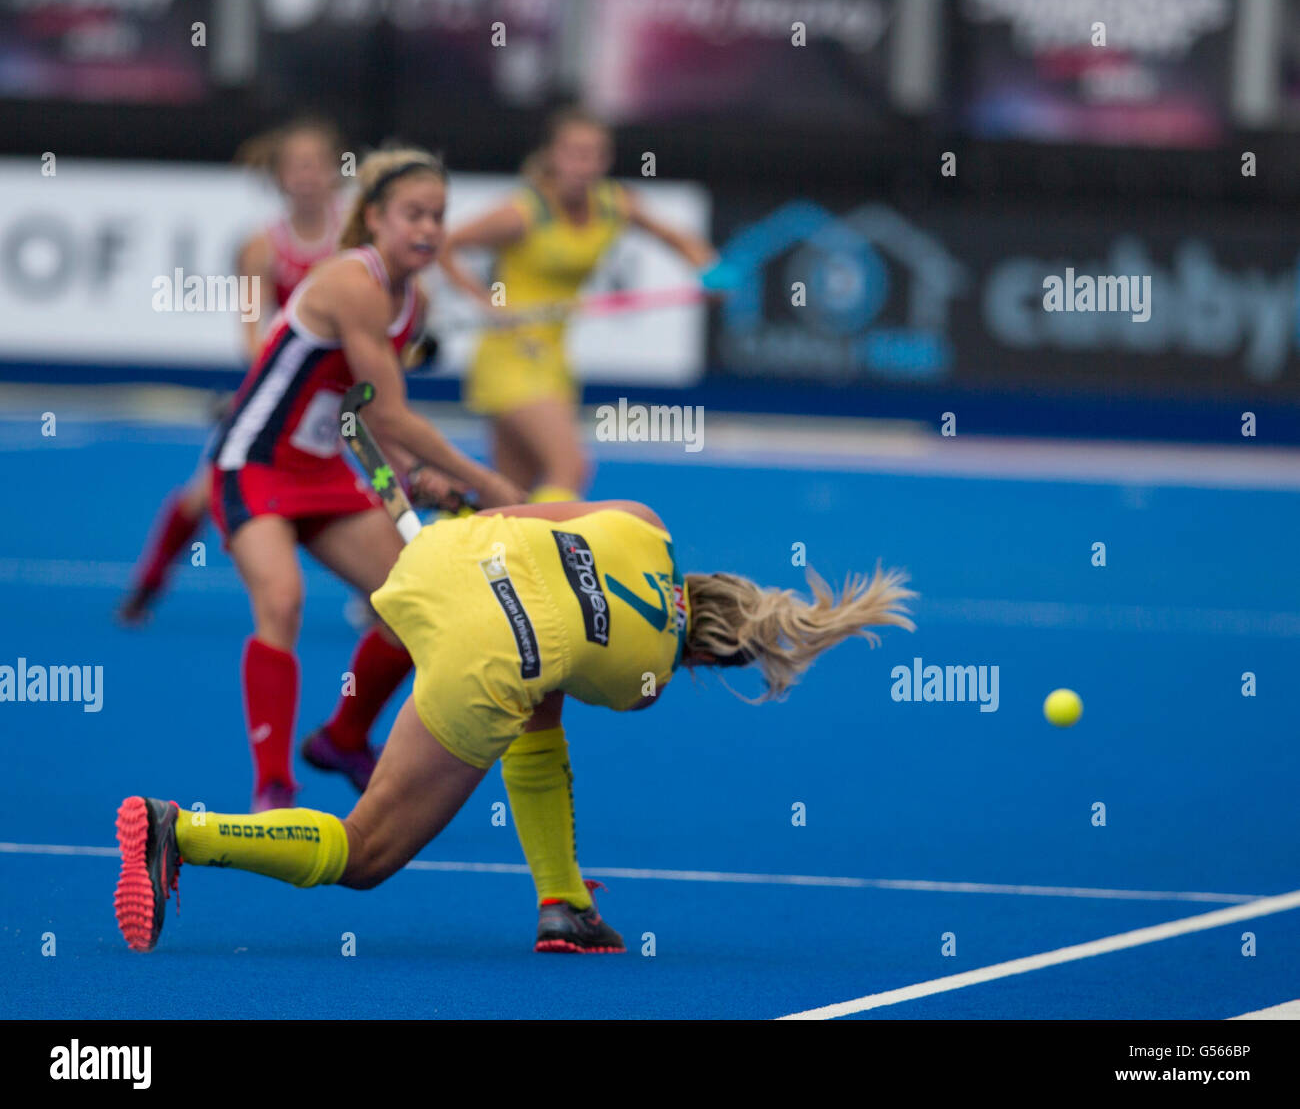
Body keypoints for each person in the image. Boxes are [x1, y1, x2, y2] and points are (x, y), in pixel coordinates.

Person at [113, 498, 914, 953]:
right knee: (364, 854)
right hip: (496, 648)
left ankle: (563, 904)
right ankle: (181, 832)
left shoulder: (645, 521)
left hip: (449, 556)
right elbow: (545, 691)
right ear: (707, 658)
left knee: (537, 684)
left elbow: (516, 506)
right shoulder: (650, 684)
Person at [205, 145, 522, 812]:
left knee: (414, 603)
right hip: (253, 461)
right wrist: (487, 485)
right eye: (413, 214)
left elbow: (357, 413)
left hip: (323, 469)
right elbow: (393, 411)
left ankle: (343, 737)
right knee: (282, 602)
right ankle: (273, 788)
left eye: (438, 216)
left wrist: (406, 481)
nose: (430, 230)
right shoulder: (354, 282)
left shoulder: (416, 301)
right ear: (374, 218)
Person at [118, 117, 346, 625]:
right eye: (297, 166)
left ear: (335, 171)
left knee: (383, 480)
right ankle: (150, 581)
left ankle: (388, 594)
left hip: (344, 392)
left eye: (317, 165)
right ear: (280, 176)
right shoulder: (262, 247)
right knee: (205, 490)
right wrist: (276, 384)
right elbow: (252, 330)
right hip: (283, 391)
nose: (308, 176)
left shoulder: (354, 238)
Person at [440, 107, 716, 502]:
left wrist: (709, 272)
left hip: (553, 355)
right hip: (511, 353)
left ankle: (473, 554)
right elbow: (446, 245)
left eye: (594, 154)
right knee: (570, 466)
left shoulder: (614, 204)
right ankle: (549, 557)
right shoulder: (524, 212)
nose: (584, 165)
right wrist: (487, 303)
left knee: (509, 494)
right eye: (574, 153)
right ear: (554, 156)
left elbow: (680, 239)